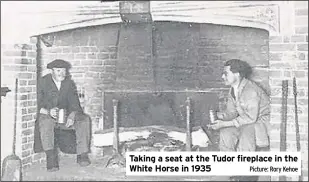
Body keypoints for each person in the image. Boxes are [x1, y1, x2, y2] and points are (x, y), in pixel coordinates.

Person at [208, 59, 270, 181]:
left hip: (261, 123)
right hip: (246, 120)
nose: (222, 76)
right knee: (226, 132)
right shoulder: (233, 89)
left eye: (226, 73)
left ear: (237, 74)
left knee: (246, 133)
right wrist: (219, 116)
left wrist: (224, 123)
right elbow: (232, 113)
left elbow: (251, 118)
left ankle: (246, 174)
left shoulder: (250, 90)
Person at [33, 59, 91, 172]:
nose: (62, 74)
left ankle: (82, 154)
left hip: (64, 116)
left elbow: (75, 103)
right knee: (45, 121)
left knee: (84, 119)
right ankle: (51, 158)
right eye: (58, 71)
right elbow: (36, 103)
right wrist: (48, 111)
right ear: (52, 71)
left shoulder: (68, 83)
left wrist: (72, 115)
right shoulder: (42, 82)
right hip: (48, 114)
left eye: (64, 71)